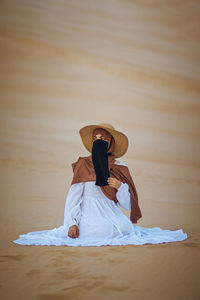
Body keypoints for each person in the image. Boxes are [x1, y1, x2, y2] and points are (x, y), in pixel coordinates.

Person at [13, 123, 188, 247]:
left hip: (111, 215)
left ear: (110, 142)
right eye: (95, 138)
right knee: (97, 230)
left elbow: (127, 205)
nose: (98, 141)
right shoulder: (83, 165)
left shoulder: (120, 167)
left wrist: (121, 187)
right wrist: (72, 223)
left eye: (103, 138)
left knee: (125, 228)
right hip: (87, 218)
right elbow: (73, 199)